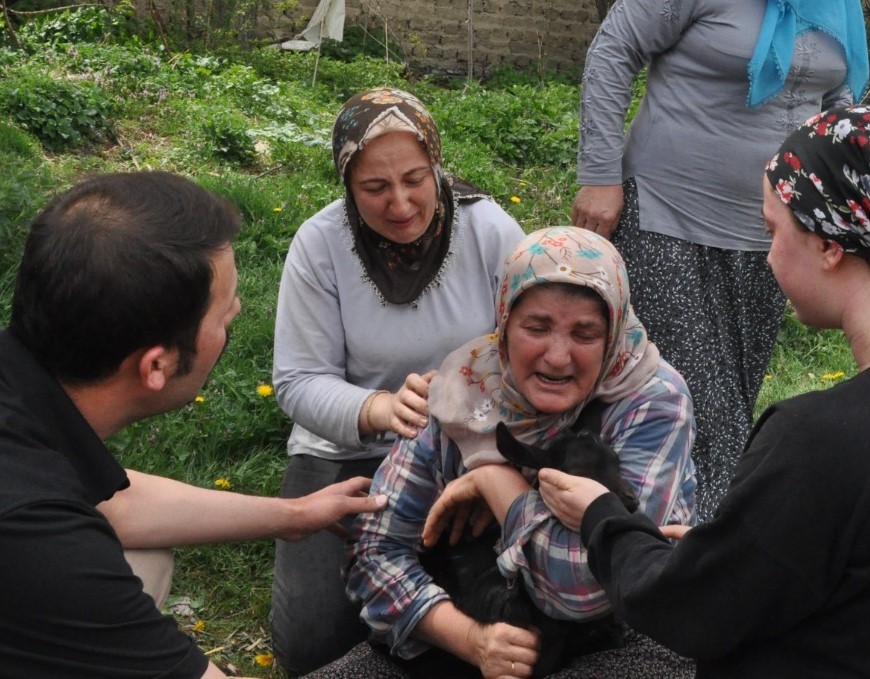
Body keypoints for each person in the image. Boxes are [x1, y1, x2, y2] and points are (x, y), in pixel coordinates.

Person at [540, 107, 870, 675]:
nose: (769, 254)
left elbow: (686, 611)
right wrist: (735, 547)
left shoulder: (824, 440)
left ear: (830, 245)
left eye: (773, 231)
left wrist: (604, 517)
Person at [0, 171, 387, 678]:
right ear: (156, 366)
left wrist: (294, 515)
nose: (237, 315)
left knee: (145, 559)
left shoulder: (26, 412)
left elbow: (113, 500)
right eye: (223, 318)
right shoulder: (45, 548)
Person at [308, 226, 697, 678]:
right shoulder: (465, 390)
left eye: (585, 334)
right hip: (464, 631)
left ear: (613, 332)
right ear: (505, 322)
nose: (557, 356)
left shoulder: (652, 402)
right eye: (537, 327)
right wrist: (469, 639)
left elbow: (595, 587)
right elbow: (373, 551)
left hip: (607, 644)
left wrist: (497, 483)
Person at [571, 0, 869, 521]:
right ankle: (696, 551)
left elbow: (836, 99)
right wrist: (600, 172)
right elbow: (613, 50)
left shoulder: (837, 4)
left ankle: (653, 539)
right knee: (700, 408)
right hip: (667, 218)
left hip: (774, 238)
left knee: (732, 396)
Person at [270, 86, 525, 673]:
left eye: (415, 178)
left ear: (437, 163)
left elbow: (530, 349)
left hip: (471, 451)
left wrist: (482, 439)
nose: (401, 203)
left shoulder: (490, 230)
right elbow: (298, 379)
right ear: (346, 182)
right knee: (313, 649)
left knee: (499, 609)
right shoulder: (320, 244)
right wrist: (379, 409)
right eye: (375, 188)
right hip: (344, 456)